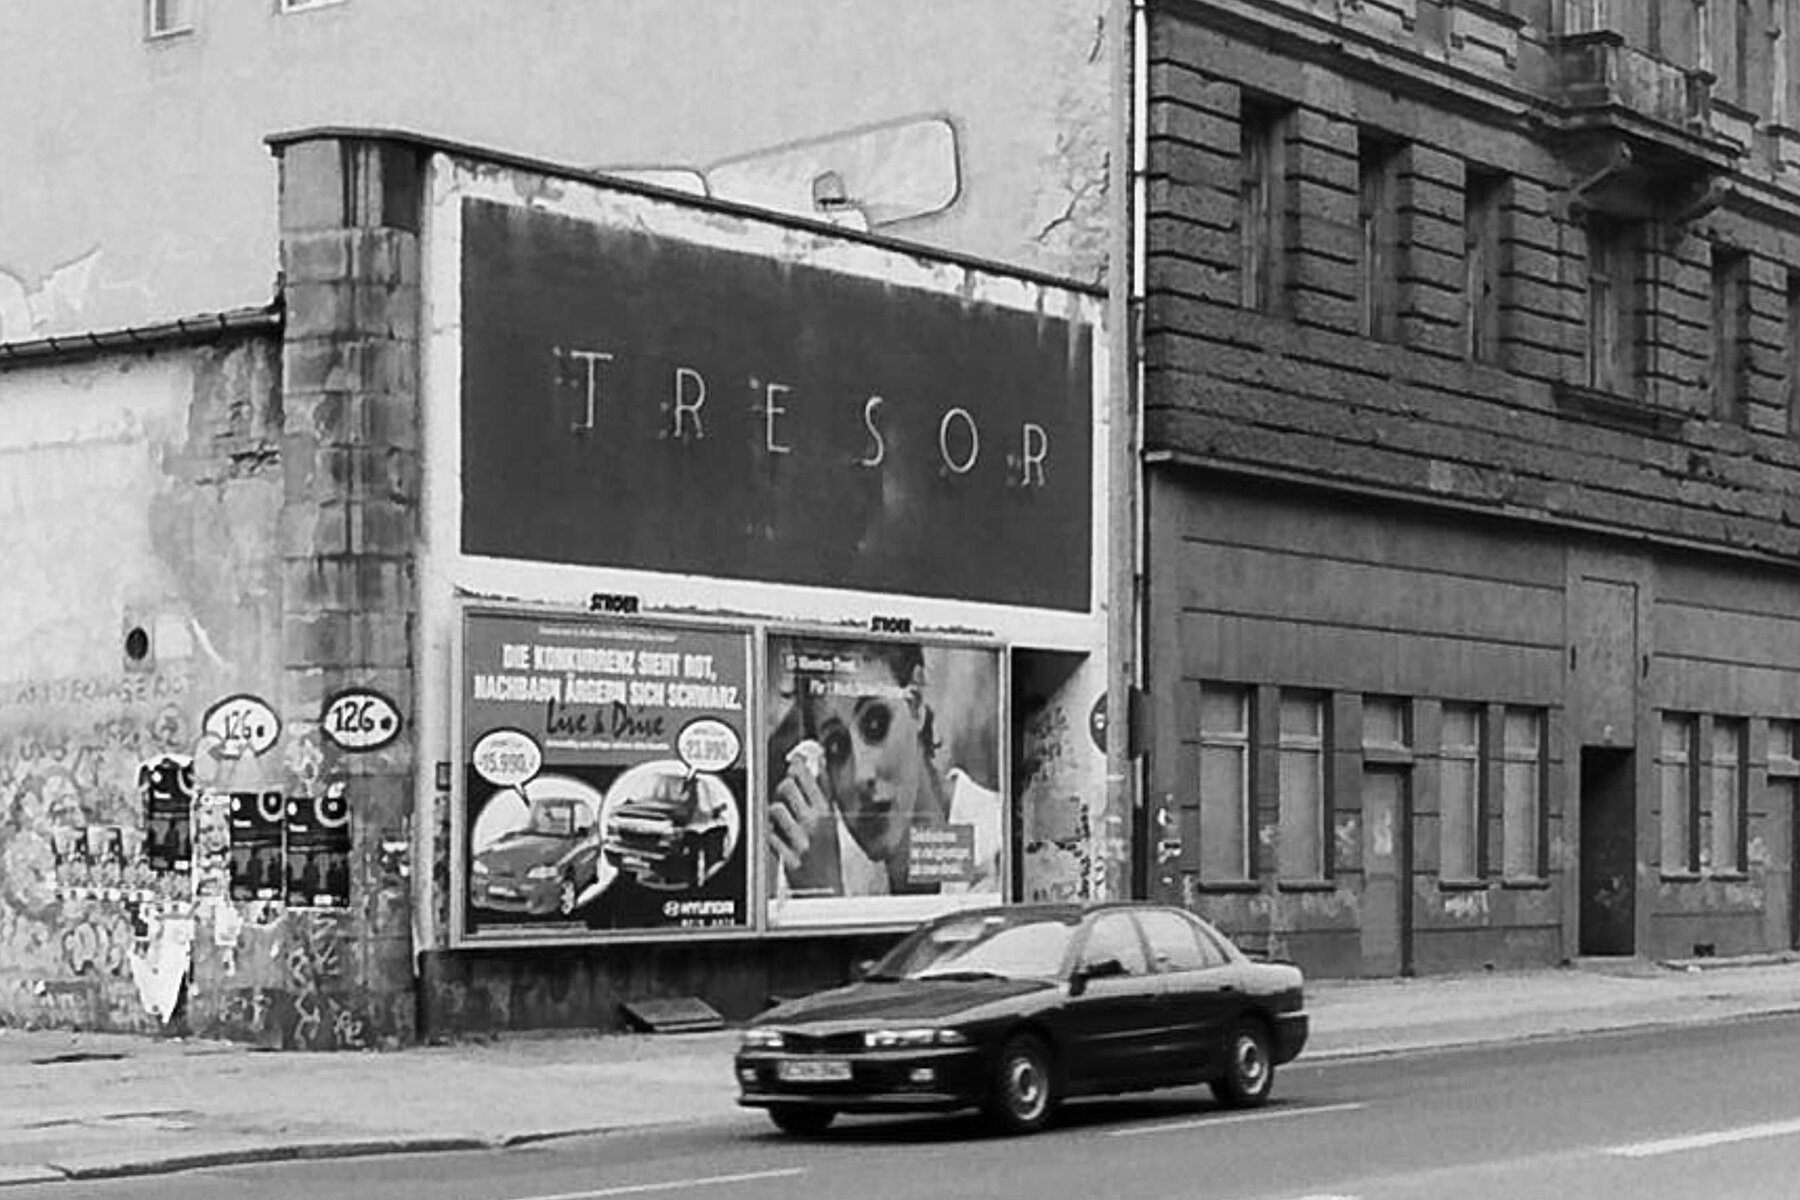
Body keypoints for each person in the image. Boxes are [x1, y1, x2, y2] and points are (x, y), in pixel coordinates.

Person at [768, 640, 1000, 898]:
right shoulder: (818, 858)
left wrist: (824, 901)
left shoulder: (1002, 840)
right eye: (836, 747)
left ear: (916, 702)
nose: (861, 774)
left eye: (876, 724)